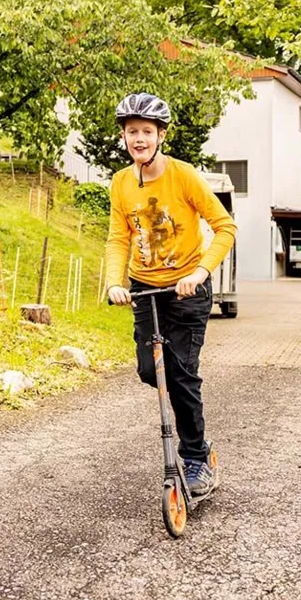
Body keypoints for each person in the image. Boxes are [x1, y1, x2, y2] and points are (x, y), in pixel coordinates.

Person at [105, 93, 237, 497]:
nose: (139, 139)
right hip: (146, 289)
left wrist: (199, 272)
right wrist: (115, 282)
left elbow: (225, 226)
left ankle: (196, 456)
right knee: (150, 370)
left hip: (187, 288)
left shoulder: (184, 176)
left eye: (146, 131)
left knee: (180, 373)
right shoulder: (121, 182)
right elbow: (118, 237)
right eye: (132, 132)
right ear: (124, 137)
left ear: (161, 135)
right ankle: (197, 448)